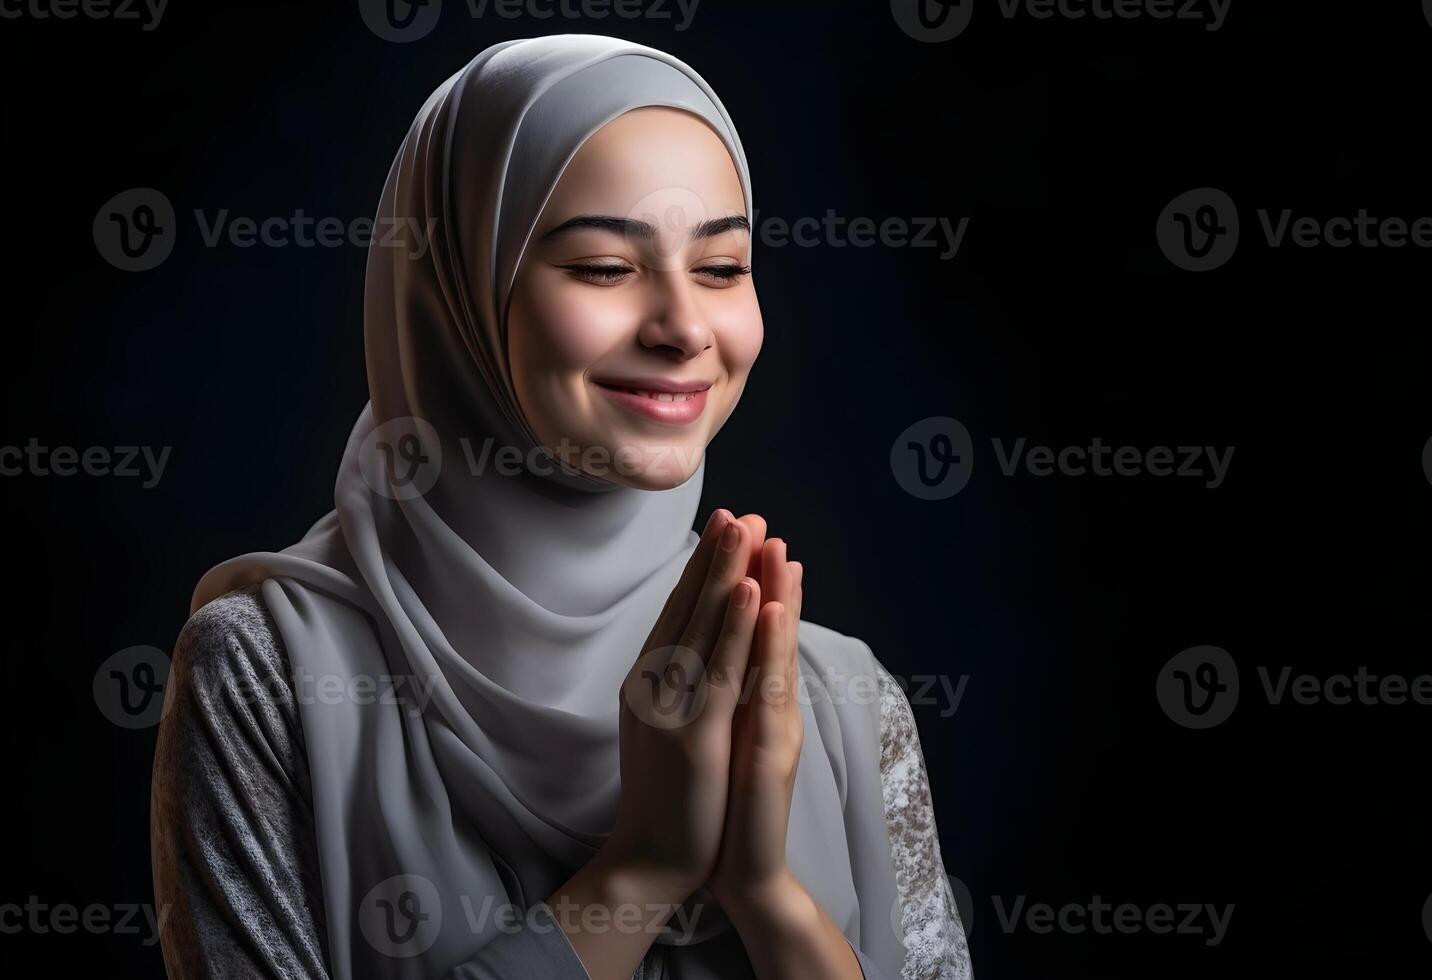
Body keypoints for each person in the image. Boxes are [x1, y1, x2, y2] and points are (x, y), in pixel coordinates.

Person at [148, 34, 972, 980]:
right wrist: (641, 871)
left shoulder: (838, 697)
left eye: (720, 268)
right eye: (603, 268)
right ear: (457, 290)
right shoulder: (272, 672)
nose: (682, 328)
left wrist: (768, 898)